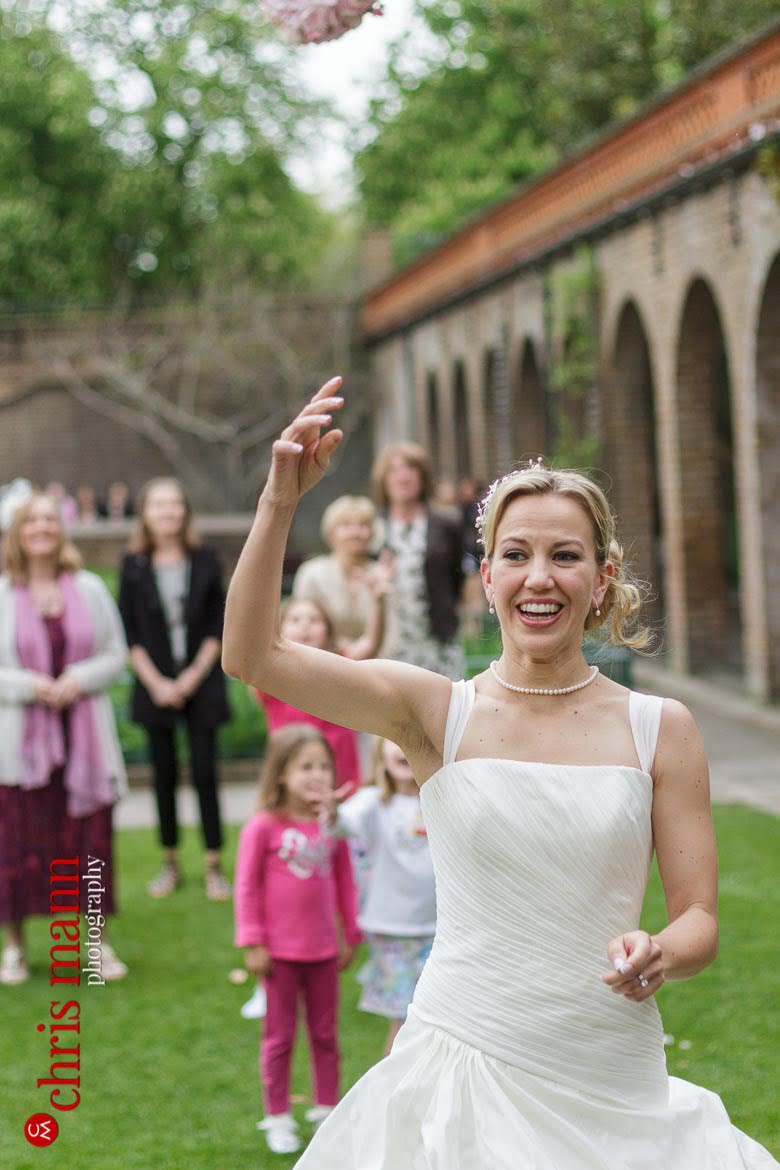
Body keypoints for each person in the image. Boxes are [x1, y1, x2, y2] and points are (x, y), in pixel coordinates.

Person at [221, 376, 778, 1169]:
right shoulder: (433, 711)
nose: (539, 577)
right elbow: (251, 656)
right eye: (515, 555)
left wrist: (661, 949)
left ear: (601, 580)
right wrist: (280, 502)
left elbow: (700, 919)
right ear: (487, 580)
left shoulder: (664, 730)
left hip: (609, 1070)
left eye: (565, 556)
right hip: (463, 1059)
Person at [0, 491, 128, 984]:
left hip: (84, 743)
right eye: (30, 520)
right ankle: (14, 947)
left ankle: (96, 945)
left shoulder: (89, 588)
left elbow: (115, 654)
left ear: (62, 530)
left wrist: (78, 678)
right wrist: (30, 686)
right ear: (17, 533)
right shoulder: (4, 595)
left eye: (49, 520)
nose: (41, 528)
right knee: (17, 845)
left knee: (89, 846)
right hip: (22, 748)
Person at [233, 723, 361, 1156]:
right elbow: (246, 888)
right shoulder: (263, 827)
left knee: (326, 1033)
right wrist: (252, 941)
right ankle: (278, 1116)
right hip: (279, 956)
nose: (318, 775)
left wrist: (350, 931)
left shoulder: (333, 826)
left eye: (324, 766)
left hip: (324, 950)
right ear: (281, 773)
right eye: (306, 766)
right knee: (279, 1037)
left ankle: (328, 1109)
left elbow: (345, 880)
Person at [118, 476, 231, 901]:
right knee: (163, 775)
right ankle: (169, 863)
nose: (168, 512)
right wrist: (158, 683)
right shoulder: (133, 565)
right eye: (158, 505)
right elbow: (128, 632)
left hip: (200, 680)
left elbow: (219, 623)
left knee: (205, 772)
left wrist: (191, 676)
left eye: (175, 504)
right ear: (145, 513)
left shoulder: (205, 559)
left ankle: (214, 865)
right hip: (154, 683)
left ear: (184, 511)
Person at [337, 736, 436, 1057]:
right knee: (402, 1020)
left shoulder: (440, 800)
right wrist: (328, 813)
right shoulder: (372, 802)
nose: (402, 746)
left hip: (438, 928)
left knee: (438, 1019)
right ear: (380, 752)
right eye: (393, 739)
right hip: (391, 929)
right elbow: (343, 824)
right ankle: (391, 1093)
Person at [371, 440, 465, 679]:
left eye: (411, 469)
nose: (403, 477)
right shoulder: (373, 526)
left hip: (437, 637)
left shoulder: (446, 524)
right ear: (384, 479)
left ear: (423, 477)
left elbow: (457, 576)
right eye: (394, 470)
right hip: (391, 639)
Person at [292, 494, 384, 653]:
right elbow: (302, 627)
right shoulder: (312, 573)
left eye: (363, 525)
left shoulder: (381, 574)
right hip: (323, 661)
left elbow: (393, 633)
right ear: (331, 533)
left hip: (377, 663)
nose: (355, 532)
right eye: (346, 525)